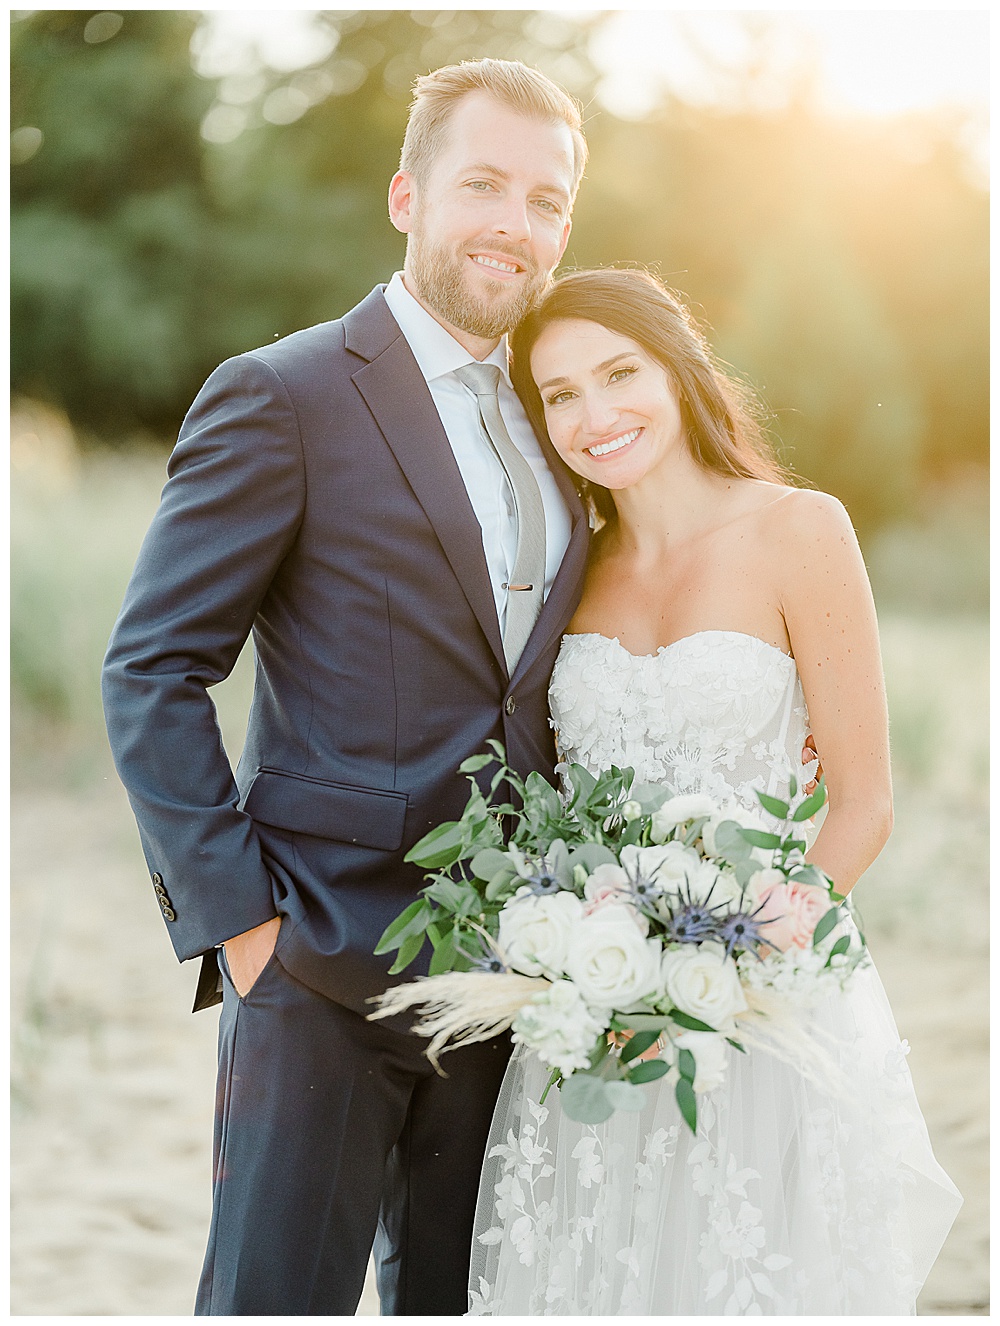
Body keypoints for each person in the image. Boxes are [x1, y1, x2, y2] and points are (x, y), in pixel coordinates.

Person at [101, 59, 594, 1316]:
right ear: (404, 196)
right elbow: (153, 669)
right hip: (317, 966)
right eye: (483, 183)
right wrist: (244, 932)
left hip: (509, 976)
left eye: (545, 201)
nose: (514, 223)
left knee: (455, 1303)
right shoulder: (285, 395)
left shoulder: (563, 419)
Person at [467, 267, 962, 1315]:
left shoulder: (799, 531)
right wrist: (589, 960)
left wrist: (727, 968)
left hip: (765, 1001)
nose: (594, 416)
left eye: (617, 373)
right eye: (559, 395)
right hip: (593, 1007)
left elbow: (863, 803)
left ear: (679, 370)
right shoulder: (566, 572)